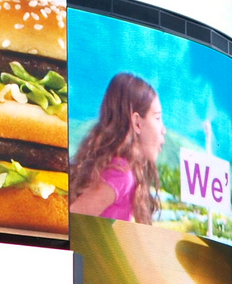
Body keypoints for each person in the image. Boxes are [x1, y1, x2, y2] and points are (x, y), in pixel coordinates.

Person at [69, 73, 165, 224]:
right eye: (158, 118)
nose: (163, 129)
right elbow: (72, 219)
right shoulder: (120, 174)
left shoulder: (127, 172)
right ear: (137, 123)